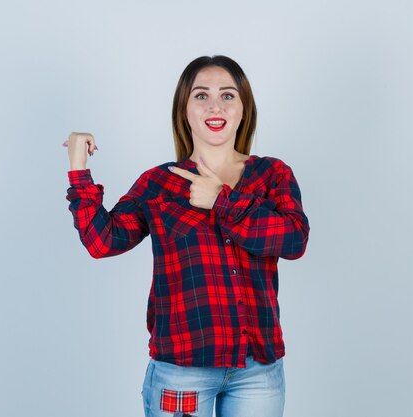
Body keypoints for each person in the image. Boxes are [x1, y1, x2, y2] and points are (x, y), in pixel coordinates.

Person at [63, 55, 309, 417]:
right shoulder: (159, 183)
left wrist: (221, 201)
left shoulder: (271, 174)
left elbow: (294, 240)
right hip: (182, 371)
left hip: (258, 370)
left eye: (228, 95)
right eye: (201, 96)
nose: (215, 105)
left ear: (243, 110)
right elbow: (103, 242)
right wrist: (78, 170)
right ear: (184, 109)